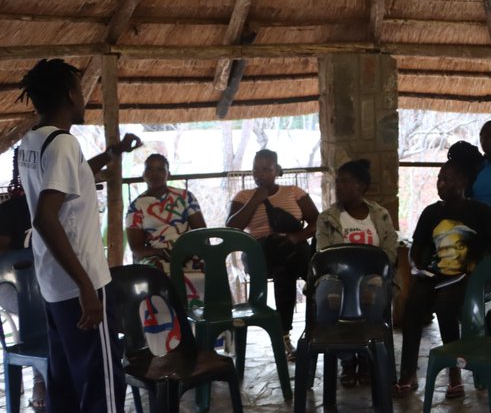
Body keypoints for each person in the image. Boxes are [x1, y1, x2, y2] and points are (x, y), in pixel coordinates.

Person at [16, 59, 166, 413]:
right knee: (103, 384)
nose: (85, 97)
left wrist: (113, 153)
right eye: (80, 89)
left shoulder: (33, 142)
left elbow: (70, 179)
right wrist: (86, 286)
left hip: (52, 286)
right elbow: (45, 218)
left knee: (63, 385)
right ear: (68, 94)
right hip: (80, 286)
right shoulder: (62, 144)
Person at [396, 159, 491, 398]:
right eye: (439, 178)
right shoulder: (432, 212)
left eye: (446, 179)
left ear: (463, 182)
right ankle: (409, 373)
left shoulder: (479, 211)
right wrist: (418, 267)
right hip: (437, 276)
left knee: (446, 303)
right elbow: (417, 247)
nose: (440, 183)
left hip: (469, 279)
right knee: (413, 304)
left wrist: (490, 267)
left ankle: (455, 372)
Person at [314, 159, 400, 387]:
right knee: (327, 300)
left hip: (372, 277)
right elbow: (323, 254)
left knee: (372, 299)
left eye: (345, 182)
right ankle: (346, 359)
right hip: (337, 278)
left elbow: (390, 250)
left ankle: (367, 356)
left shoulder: (379, 215)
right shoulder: (327, 218)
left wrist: (374, 269)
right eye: (337, 182)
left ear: (361, 185)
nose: (339, 187)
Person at [226, 148, 319, 358]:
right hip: (258, 254)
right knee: (284, 261)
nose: (260, 174)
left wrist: (296, 237)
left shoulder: (294, 191)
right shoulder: (244, 196)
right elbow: (232, 228)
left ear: (276, 169)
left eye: (266, 169)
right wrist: (255, 200)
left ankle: (286, 333)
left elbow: (317, 221)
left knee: (286, 271)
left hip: (292, 248)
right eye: (256, 169)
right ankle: (311, 285)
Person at [0, 157, 44, 413]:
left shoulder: (56, 206)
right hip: (12, 284)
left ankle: (69, 371)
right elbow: (3, 261)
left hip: (48, 281)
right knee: (36, 305)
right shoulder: (10, 210)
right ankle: (42, 379)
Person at [125, 153, 206, 274]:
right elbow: (136, 248)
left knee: (208, 267)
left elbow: (201, 233)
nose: (155, 173)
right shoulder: (136, 206)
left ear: (169, 174)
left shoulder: (185, 197)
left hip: (189, 252)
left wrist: (187, 251)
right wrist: (159, 252)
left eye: (160, 169)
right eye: (150, 169)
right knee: (157, 272)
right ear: (144, 175)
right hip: (157, 256)